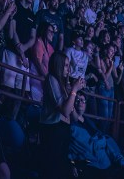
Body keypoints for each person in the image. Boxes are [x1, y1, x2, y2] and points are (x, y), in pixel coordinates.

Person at [41, 50, 86, 179]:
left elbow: (74, 116)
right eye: (66, 65)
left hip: (62, 130)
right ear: (58, 65)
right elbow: (65, 111)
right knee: (52, 170)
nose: (69, 68)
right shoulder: (51, 79)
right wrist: (74, 90)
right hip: (52, 129)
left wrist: (74, 90)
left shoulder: (63, 83)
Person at [69, 95, 124, 177]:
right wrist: (71, 164)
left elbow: (108, 143)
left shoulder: (90, 123)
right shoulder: (70, 125)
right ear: (72, 104)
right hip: (89, 166)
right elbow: (67, 150)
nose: (80, 102)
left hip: (105, 164)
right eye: (77, 100)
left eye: (83, 100)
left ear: (86, 104)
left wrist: (123, 163)